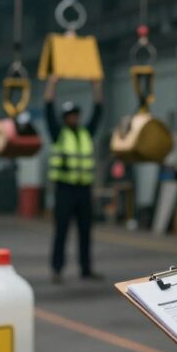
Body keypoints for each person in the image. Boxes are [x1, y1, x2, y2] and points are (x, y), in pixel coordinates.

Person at [44, 75, 104, 283]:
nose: (73, 118)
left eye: (75, 115)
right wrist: (52, 84)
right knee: (61, 231)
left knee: (86, 231)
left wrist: (96, 87)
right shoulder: (58, 134)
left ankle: (86, 268)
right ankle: (57, 269)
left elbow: (98, 111)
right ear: (64, 118)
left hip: (84, 191)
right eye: (70, 115)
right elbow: (48, 109)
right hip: (64, 190)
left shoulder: (86, 133)